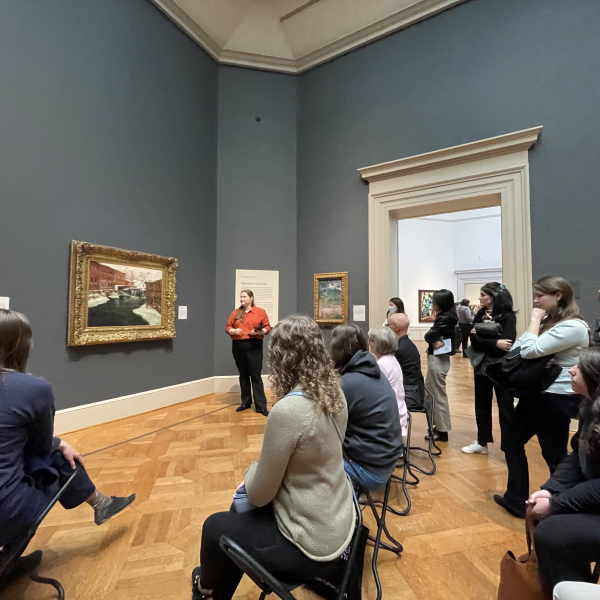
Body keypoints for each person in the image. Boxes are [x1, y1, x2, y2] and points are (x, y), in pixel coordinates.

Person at [193, 315, 355, 600]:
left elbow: (259, 494)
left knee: (215, 526)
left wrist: (250, 474)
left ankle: (206, 590)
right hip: (341, 520)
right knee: (236, 516)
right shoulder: (335, 391)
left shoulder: (288, 412)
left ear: (280, 357)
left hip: (310, 545)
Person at [0, 310, 135, 589]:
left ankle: (101, 504)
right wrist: (59, 443)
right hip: (6, 511)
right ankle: (100, 503)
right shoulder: (32, 388)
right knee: (58, 458)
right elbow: (38, 450)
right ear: (20, 345)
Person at [494, 277, 590, 518]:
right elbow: (520, 349)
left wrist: (534, 321)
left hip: (556, 397)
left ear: (558, 295)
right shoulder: (553, 322)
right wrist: (535, 341)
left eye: (540, 295)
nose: (535, 300)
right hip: (537, 393)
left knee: (554, 454)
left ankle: (561, 506)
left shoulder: (573, 326)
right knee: (511, 440)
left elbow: (527, 350)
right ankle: (515, 499)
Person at [526, 348, 600, 590]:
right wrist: (551, 490)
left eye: (580, 367)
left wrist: (558, 503)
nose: (571, 369)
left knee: (552, 533)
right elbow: (578, 455)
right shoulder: (591, 406)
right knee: (544, 519)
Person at [330, 324, 404, 491]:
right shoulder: (372, 370)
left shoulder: (347, 383)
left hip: (368, 471)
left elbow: (327, 426)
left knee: (304, 464)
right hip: (387, 464)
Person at [462, 283, 516, 455]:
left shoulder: (508, 316)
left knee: (505, 406)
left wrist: (482, 338)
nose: (480, 298)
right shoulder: (479, 313)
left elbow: (507, 343)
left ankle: (510, 444)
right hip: (481, 365)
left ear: (493, 296)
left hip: (501, 367)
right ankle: (481, 441)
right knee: (482, 404)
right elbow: (473, 339)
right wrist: (494, 342)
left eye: (483, 294)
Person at [226, 290, 271, 416]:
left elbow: (267, 327)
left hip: (254, 345)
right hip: (238, 346)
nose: (242, 299)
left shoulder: (260, 312)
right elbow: (227, 327)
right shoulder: (235, 312)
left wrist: (260, 332)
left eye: (244, 297)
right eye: (240, 297)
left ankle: (261, 406)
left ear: (251, 298)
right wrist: (232, 331)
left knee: (255, 376)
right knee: (243, 375)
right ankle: (245, 402)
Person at [423, 289, 458, 442]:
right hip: (438, 357)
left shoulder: (445, 317)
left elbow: (429, 335)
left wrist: (430, 337)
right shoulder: (446, 315)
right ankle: (437, 427)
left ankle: (442, 430)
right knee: (432, 392)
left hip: (439, 358)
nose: (433, 304)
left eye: (435, 301)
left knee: (437, 394)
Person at [368, 326, 408, 436]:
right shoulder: (391, 360)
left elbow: (373, 393)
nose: (369, 343)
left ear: (377, 344)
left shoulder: (382, 365)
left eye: (371, 340)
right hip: (397, 410)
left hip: (390, 414)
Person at [387, 312, 426, 412]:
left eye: (388, 324)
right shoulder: (405, 344)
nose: (386, 327)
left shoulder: (401, 348)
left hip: (410, 394)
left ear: (396, 328)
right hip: (412, 389)